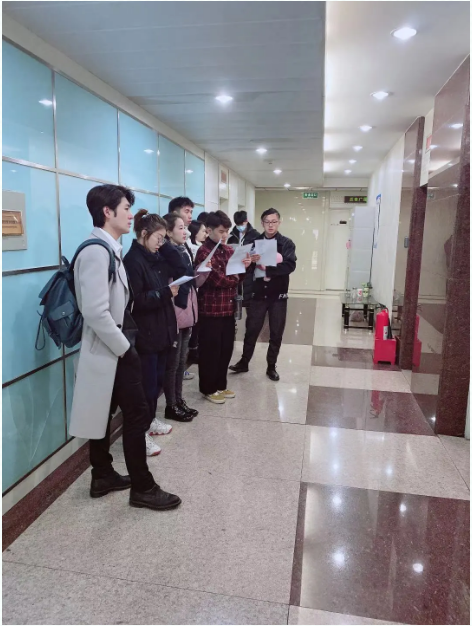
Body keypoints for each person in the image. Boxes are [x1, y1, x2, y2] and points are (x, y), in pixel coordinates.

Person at [69, 184, 181, 511]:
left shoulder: (110, 248)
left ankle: (102, 474)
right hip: (112, 348)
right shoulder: (96, 251)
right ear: (107, 212)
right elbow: (95, 311)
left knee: (105, 412)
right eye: (126, 208)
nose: (132, 214)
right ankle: (143, 487)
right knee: (137, 414)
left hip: (112, 347)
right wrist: (125, 350)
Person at [123, 210, 179, 457]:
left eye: (164, 238)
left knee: (156, 382)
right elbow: (136, 301)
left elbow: (181, 266)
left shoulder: (155, 257)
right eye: (158, 238)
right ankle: (141, 433)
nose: (161, 243)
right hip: (145, 334)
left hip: (160, 330)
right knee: (145, 387)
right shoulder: (133, 261)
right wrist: (166, 293)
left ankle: (151, 420)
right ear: (144, 234)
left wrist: (165, 247)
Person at [229, 208, 297, 382]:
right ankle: (244, 362)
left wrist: (268, 267)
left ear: (279, 222)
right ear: (262, 223)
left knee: (276, 332)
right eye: (267, 222)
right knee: (251, 329)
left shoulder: (286, 243)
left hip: (278, 295)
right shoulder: (254, 242)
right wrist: (248, 263)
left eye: (274, 222)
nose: (270, 225)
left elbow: (290, 265)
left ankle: (271, 366)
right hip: (258, 294)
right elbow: (246, 266)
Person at [195, 210, 251, 404]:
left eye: (227, 231)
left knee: (225, 349)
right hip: (210, 310)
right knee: (210, 351)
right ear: (209, 230)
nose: (225, 235)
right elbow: (215, 279)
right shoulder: (204, 252)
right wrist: (233, 278)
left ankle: (220, 384)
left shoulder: (228, 250)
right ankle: (208, 388)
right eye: (221, 231)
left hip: (228, 308)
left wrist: (244, 267)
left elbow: (238, 276)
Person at [162, 213, 207, 421]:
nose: (185, 232)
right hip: (175, 312)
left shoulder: (184, 250)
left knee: (181, 361)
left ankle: (179, 400)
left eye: (185, 228)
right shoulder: (167, 253)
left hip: (188, 310)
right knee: (173, 363)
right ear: (168, 232)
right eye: (180, 228)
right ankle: (171, 404)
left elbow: (191, 282)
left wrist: (203, 271)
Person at [169, 196, 196, 380]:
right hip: (176, 306)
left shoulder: (184, 242)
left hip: (187, 303)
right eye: (187, 211)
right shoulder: (167, 248)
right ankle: (172, 395)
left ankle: (178, 394)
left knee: (181, 358)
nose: (190, 216)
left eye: (191, 212)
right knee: (173, 361)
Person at [186, 220, 208, 366]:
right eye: (203, 231)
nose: (205, 234)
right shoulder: (195, 249)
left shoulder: (198, 246)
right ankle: (193, 351)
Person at [227, 210, 260, 307]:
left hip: (250, 271)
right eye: (237, 224)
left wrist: (253, 258)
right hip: (236, 270)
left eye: (242, 224)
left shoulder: (256, 235)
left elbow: (260, 255)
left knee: (249, 301)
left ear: (246, 221)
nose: (240, 226)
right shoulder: (232, 235)